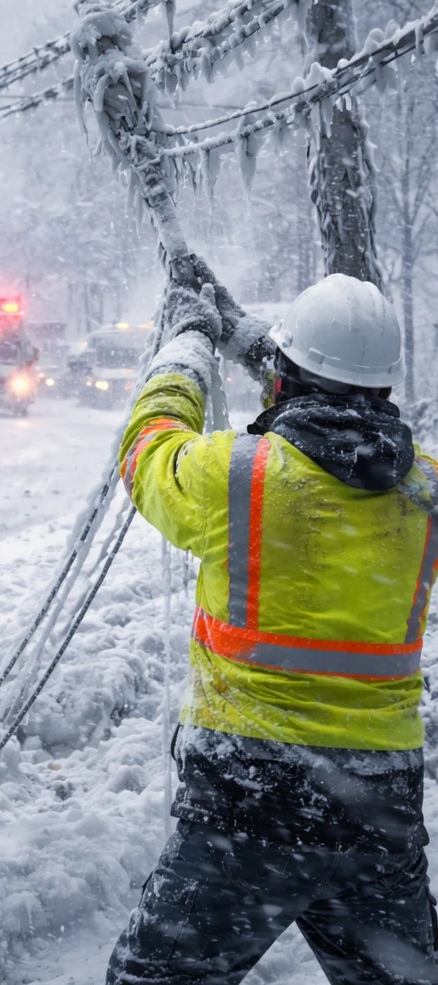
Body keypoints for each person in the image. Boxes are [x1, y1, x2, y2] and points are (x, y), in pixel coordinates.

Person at [107, 261, 438, 985]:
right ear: (385, 385)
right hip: (377, 811)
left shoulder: (239, 476)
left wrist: (190, 342)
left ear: (284, 375)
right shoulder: (425, 491)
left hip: (249, 805)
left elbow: (147, 444)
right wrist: (239, 331)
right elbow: (334, 397)